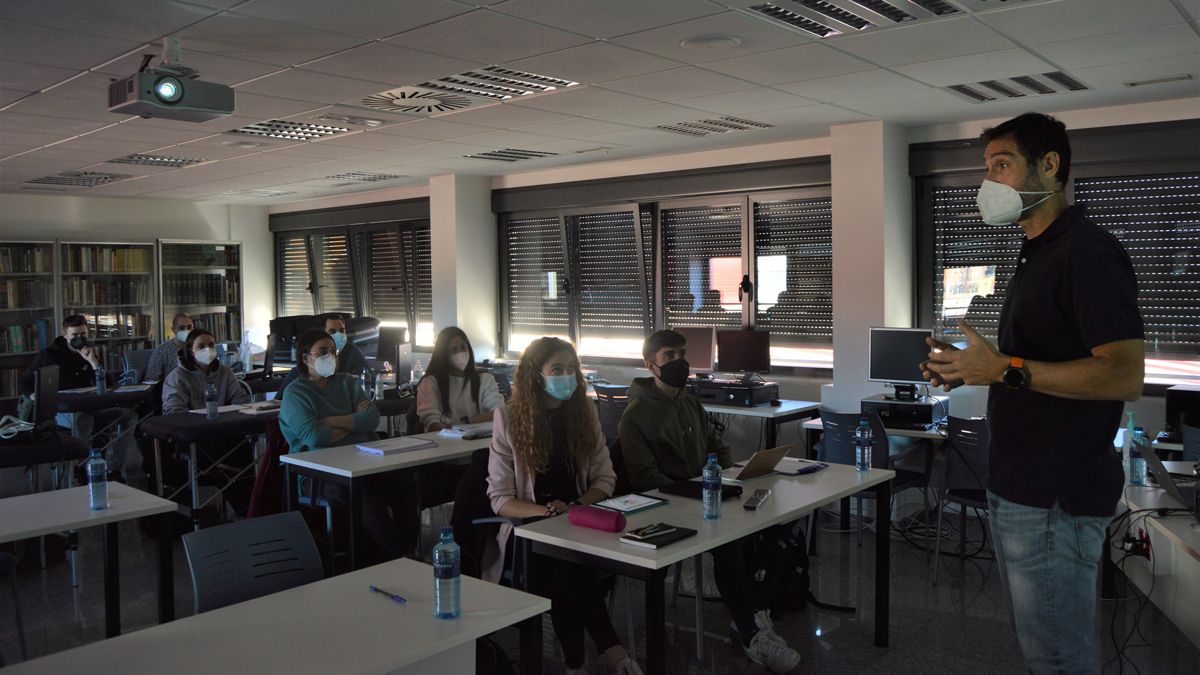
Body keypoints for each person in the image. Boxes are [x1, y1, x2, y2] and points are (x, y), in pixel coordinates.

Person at [922, 112, 1144, 675]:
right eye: (987, 168)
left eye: (1002, 164)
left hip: (1056, 497)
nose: (989, 182)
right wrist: (972, 369)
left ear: (1050, 166)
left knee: (1057, 658)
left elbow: (1122, 375)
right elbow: (1028, 361)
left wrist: (1004, 370)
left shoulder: (1087, 252)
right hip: (1021, 486)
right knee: (1040, 648)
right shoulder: (1036, 252)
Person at [619, 329, 801, 673]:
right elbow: (645, 478)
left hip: (706, 494)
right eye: (669, 357)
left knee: (782, 517)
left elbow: (718, 448)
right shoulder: (637, 415)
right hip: (670, 505)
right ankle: (751, 634)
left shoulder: (689, 402)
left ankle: (753, 610)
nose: (680, 362)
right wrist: (694, 490)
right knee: (728, 542)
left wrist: (722, 474)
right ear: (650, 365)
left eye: (682, 354)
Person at [486, 337, 642, 675]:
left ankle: (577, 663)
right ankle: (612, 654)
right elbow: (501, 499)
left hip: (579, 519)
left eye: (571, 369)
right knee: (561, 564)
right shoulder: (509, 418)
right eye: (557, 369)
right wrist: (547, 513)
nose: (566, 376)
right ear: (535, 375)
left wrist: (574, 506)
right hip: (529, 527)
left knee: (566, 565)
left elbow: (605, 479)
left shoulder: (584, 413)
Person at [279, 329, 412, 560]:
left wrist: (330, 421)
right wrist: (354, 422)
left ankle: (410, 546)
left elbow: (371, 419)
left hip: (363, 461)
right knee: (366, 493)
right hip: (319, 473)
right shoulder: (296, 393)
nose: (330, 356)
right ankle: (402, 555)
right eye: (322, 352)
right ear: (305, 357)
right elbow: (313, 437)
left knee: (406, 486)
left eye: (333, 351)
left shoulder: (347, 383)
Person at [19, 314, 137, 481]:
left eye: (83, 334)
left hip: (91, 406)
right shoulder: (50, 354)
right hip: (63, 411)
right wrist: (35, 397)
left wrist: (93, 363)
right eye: (75, 335)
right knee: (83, 418)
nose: (79, 338)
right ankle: (80, 468)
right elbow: (25, 381)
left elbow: (107, 385)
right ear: (65, 334)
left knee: (128, 415)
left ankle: (113, 468)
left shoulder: (89, 352)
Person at [416, 326, 504, 432]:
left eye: (463, 347)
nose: (460, 353)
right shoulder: (430, 382)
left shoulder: (485, 379)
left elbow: (499, 412)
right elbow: (431, 422)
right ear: (443, 355)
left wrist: (464, 423)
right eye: (453, 350)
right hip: (445, 444)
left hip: (480, 442)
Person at [277, 314, 367, 401]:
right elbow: (278, 403)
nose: (339, 335)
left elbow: (368, 377)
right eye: (333, 331)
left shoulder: (351, 351)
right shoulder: (296, 379)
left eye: (341, 330)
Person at [161, 328, 251, 415]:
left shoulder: (225, 372)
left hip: (222, 424)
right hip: (192, 426)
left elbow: (241, 401)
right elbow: (174, 411)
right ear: (191, 351)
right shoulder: (177, 377)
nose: (207, 349)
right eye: (201, 346)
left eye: (211, 345)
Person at [145, 313, 193, 382]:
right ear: (173, 330)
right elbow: (151, 379)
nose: (186, 330)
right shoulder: (162, 350)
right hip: (173, 389)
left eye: (189, 327)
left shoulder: (199, 346)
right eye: (182, 328)